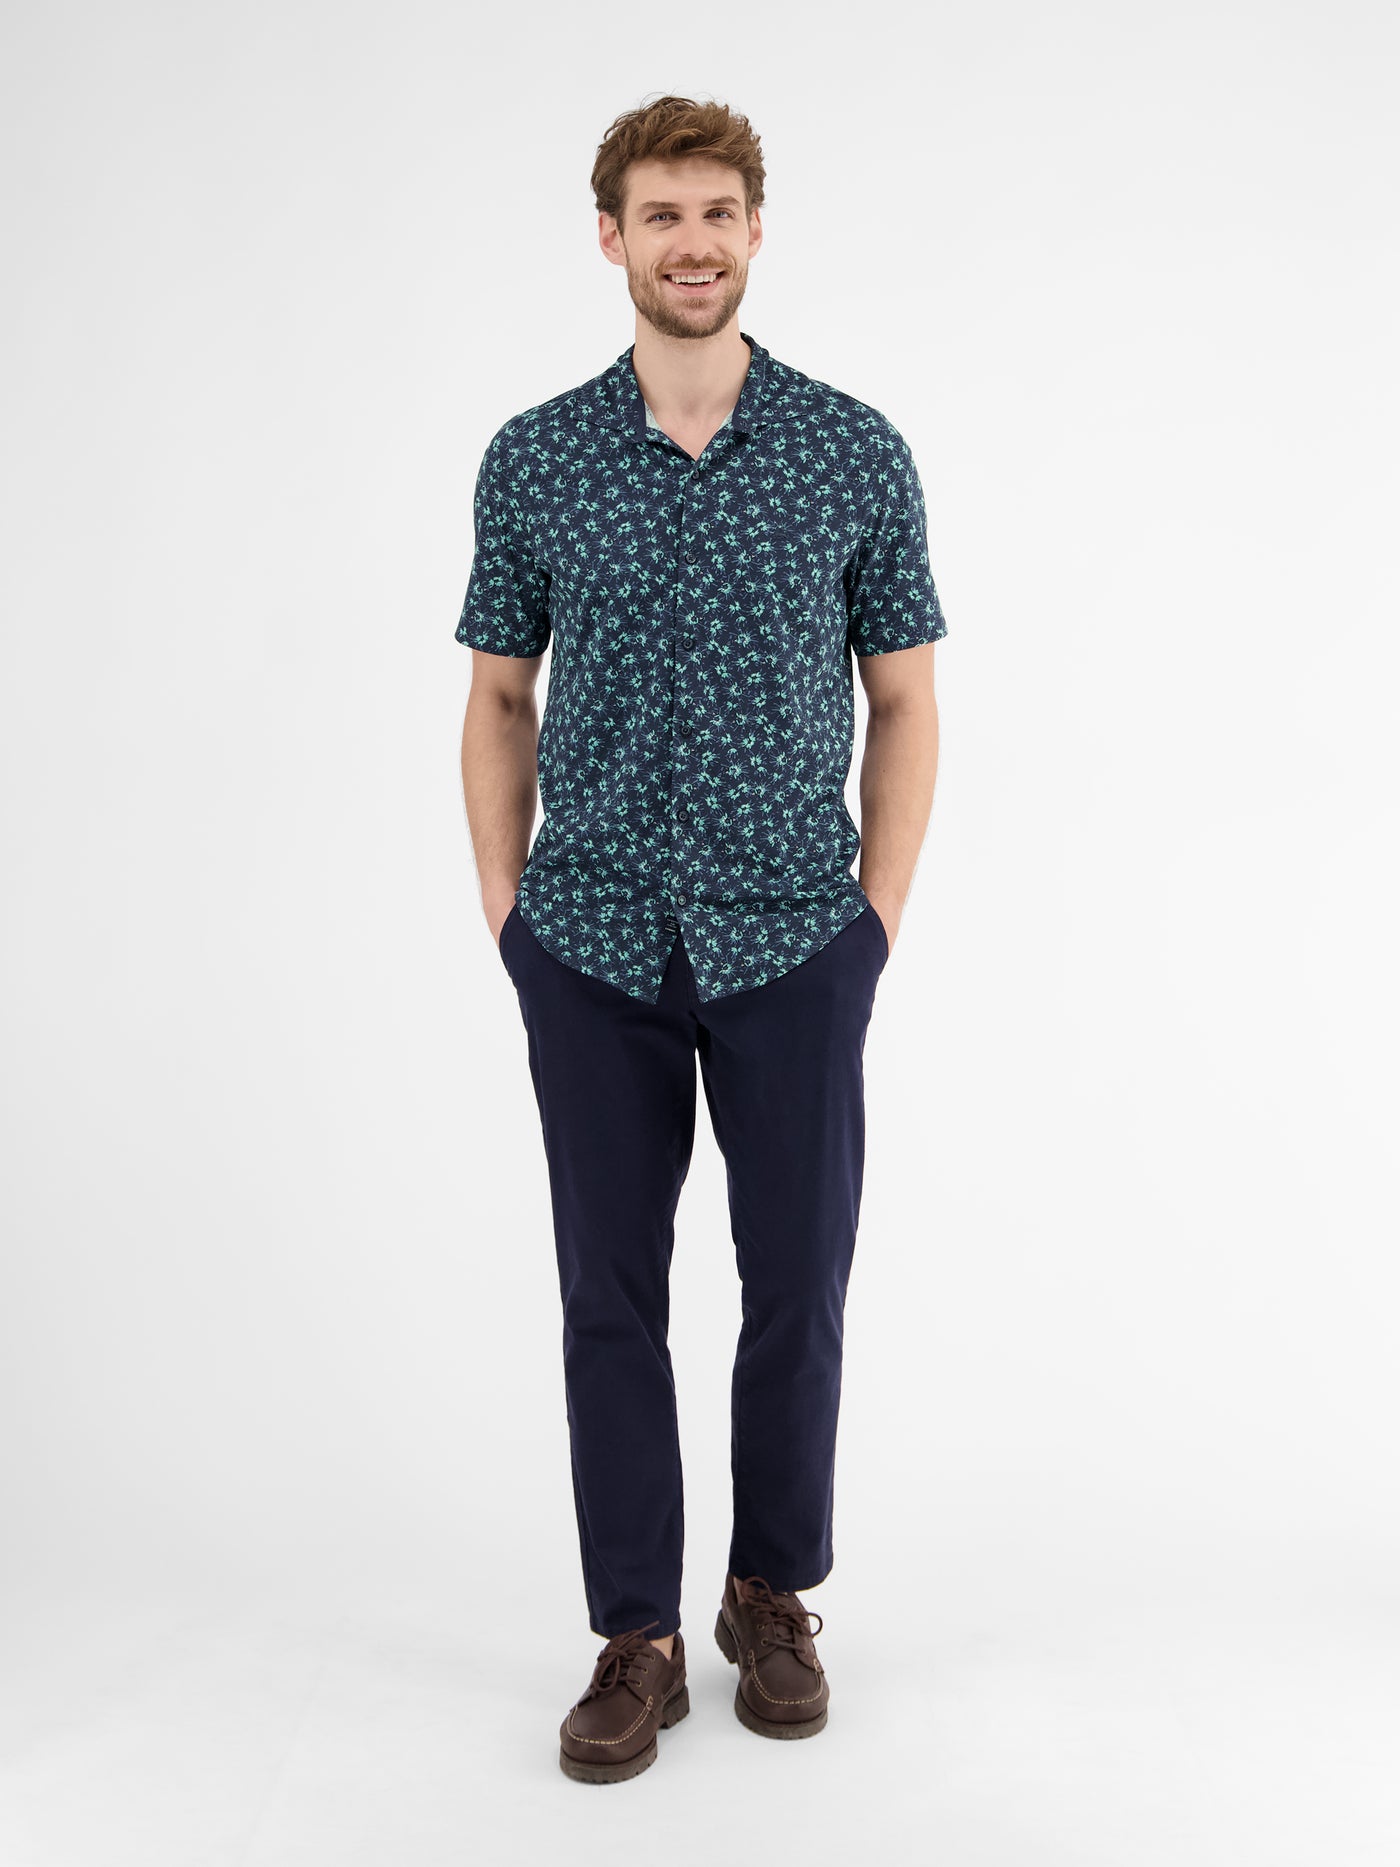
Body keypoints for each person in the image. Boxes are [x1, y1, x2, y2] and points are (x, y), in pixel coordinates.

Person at [454, 93, 947, 1784]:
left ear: (755, 232)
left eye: (718, 212)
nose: (692, 242)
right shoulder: (535, 458)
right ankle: (636, 1637)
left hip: (796, 938)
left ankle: (768, 1597)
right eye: (661, 214)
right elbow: (499, 699)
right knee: (609, 1293)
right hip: (590, 940)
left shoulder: (852, 450)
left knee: (797, 1282)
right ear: (611, 236)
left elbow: (905, 701)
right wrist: (512, 918)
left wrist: (873, 922)